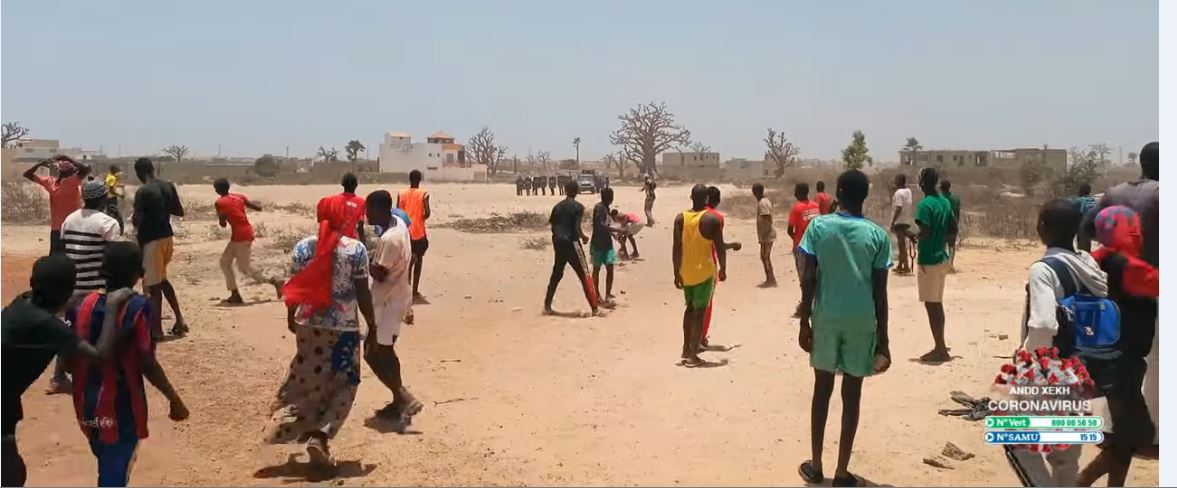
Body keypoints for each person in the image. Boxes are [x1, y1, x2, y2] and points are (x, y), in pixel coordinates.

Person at [2, 255, 135, 487]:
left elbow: (67, 302)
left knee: (10, 469)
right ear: (68, 289)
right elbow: (100, 355)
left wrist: (90, 297)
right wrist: (112, 307)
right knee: (10, 473)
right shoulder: (48, 326)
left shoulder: (23, 302)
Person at [795, 169, 891, 488]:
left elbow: (808, 277)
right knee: (852, 395)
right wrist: (884, 341)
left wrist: (804, 321)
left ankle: (815, 466)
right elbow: (880, 294)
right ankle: (841, 472)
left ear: (837, 193)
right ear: (866, 196)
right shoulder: (877, 236)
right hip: (862, 320)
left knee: (821, 389)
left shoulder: (818, 226)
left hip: (826, 316)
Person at [66, 242, 189, 487]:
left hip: (86, 406)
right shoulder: (138, 307)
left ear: (102, 271)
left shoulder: (80, 304)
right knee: (114, 473)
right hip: (121, 407)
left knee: (107, 461)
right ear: (140, 274)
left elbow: (69, 362)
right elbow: (146, 360)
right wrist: (174, 399)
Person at [268, 196, 374, 467]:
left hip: (307, 326)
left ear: (319, 217)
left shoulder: (303, 248)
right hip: (343, 330)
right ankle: (320, 436)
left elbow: (294, 287)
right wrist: (372, 325)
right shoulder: (356, 250)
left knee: (310, 379)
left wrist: (291, 317)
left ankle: (287, 424)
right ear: (344, 218)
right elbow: (363, 293)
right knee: (345, 382)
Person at [1014, 199, 1107, 487]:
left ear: (1043, 227)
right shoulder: (1088, 264)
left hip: (1049, 369)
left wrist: (1028, 358)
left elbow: (1043, 325)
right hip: (1085, 368)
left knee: (1017, 441)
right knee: (1065, 454)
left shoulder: (1044, 270)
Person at [1083, 141, 1160, 452]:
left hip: (1114, 284)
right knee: (1156, 359)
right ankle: (1153, 435)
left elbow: (1088, 228)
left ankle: (1110, 428)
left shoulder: (1114, 193)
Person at [1076, 206, 1157, 487]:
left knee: (1123, 439)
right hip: (1122, 364)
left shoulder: (1091, 262)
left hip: (1100, 361)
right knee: (1132, 437)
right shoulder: (1130, 266)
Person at [48, 179, 122, 394]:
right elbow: (113, 259)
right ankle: (100, 380)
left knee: (70, 331)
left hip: (72, 288)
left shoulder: (69, 219)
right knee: (102, 333)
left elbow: (62, 252)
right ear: (103, 198)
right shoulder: (108, 223)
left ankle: (59, 377)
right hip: (96, 289)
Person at [363, 191, 424, 428]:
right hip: (398, 297)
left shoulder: (389, 240)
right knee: (382, 350)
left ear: (380, 210)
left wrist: (362, 258)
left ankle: (403, 396)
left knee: (375, 352)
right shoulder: (398, 223)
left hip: (387, 303)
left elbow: (379, 272)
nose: (366, 214)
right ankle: (399, 399)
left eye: (369, 209)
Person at [131, 157, 188, 339]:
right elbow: (179, 211)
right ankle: (179, 319)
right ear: (153, 169)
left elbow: (137, 221)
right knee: (162, 280)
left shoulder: (143, 191)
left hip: (152, 241)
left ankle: (156, 330)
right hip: (167, 238)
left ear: (139, 173)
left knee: (153, 286)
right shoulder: (168, 186)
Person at [673, 184, 729, 367]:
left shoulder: (680, 218)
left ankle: (685, 348)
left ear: (691, 197)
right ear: (706, 199)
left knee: (689, 309)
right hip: (704, 271)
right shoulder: (712, 220)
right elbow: (720, 247)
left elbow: (676, 247)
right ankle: (693, 355)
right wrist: (723, 268)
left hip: (686, 271)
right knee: (699, 313)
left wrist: (676, 271)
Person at [213, 178, 282, 305]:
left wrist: (222, 217)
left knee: (244, 268)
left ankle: (274, 281)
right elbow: (257, 207)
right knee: (225, 262)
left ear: (217, 190)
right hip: (244, 233)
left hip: (240, 236)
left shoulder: (219, 202)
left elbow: (223, 224)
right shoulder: (239, 197)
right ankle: (235, 294)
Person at [914, 168, 957, 363]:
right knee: (937, 303)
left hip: (929, 260)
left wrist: (915, 236)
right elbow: (953, 229)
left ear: (922, 182)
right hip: (942, 257)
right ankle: (941, 345)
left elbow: (925, 232)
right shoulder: (945, 202)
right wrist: (943, 242)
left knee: (931, 305)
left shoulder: (925, 205)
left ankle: (940, 349)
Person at [543, 181, 599, 316]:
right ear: (576, 191)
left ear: (566, 190)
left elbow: (553, 226)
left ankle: (547, 306)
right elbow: (576, 228)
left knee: (557, 273)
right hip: (572, 243)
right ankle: (594, 308)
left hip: (558, 242)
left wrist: (558, 238)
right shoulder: (578, 207)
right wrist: (583, 237)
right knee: (584, 273)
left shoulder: (557, 207)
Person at [23, 155, 90, 254]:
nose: (75, 172)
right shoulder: (71, 182)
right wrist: (67, 158)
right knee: (73, 259)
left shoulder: (50, 182)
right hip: (72, 229)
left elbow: (27, 174)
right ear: (69, 172)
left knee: (55, 259)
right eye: (73, 171)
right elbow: (86, 170)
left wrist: (40, 164)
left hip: (56, 230)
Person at [701, 186, 741, 347]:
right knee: (707, 302)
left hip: (690, 263)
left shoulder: (691, 215)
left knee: (692, 303)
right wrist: (723, 269)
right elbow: (718, 245)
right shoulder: (716, 218)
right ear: (717, 201)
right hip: (708, 264)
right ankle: (701, 337)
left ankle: (691, 338)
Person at [397, 170, 432, 301]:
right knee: (418, 260)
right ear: (420, 179)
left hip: (405, 232)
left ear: (409, 179)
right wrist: (420, 217)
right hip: (418, 232)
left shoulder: (401, 194)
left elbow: (397, 212)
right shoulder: (424, 194)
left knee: (407, 263)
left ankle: (406, 290)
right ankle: (415, 291)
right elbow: (427, 213)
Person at [590, 188, 623, 306]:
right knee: (596, 269)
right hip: (598, 243)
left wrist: (613, 234)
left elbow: (607, 225)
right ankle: (596, 295)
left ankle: (607, 294)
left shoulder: (606, 208)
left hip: (607, 243)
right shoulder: (599, 208)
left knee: (610, 268)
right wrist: (616, 230)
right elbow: (600, 225)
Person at [317, 173, 366, 240]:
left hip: (332, 240)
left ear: (342, 184)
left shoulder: (331, 200)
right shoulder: (360, 202)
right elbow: (360, 227)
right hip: (349, 241)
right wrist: (363, 243)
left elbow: (322, 222)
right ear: (356, 185)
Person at [787, 183, 820, 281]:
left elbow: (789, 230)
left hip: (802, 247)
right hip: (816, 246)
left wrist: (797, 239)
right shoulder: (816, 206)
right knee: (817, 275)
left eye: (796, 191)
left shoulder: (796, 208)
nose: (795, 194)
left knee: (804, 277)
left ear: (799, 193)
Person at [889, 174, 916, 274]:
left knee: (901, 245)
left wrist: (893, 221)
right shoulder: (908, 191)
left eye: (896, 180)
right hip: (906, 220)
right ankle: (900, 265)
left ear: (899, 181)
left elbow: (898, 208)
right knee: (902, 243)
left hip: (899, 221)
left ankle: (906, 266)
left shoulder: (898, 193)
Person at [753, 183, 778, 287]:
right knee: (764, 257)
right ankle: (770, 278)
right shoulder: (765, 201)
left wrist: (765, 233)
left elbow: (766, 217)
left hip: (767, 235)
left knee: (765, 257)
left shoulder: (762, 203)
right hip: (766, 235)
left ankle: (771, 279)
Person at [939, 179, 962, 271]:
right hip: (953, 224)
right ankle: (950, 264)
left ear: (941, 188)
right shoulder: (956, 198)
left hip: (942, 224)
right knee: (951, 245)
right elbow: (958, 211)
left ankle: (943, 264)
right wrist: (957, 223)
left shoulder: (939, 198)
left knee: (941, 245)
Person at [1072, 183, 1097, 252]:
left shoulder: (1078, 201)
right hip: (1090, 225)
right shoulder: (1092, 200)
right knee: (1087, 245)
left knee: (1082, 248)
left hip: (1081, 225)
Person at [103, 165, 126, 235]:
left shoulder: (109, 176)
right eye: (117, 170)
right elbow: (111, 190)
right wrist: (120, 195)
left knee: (110, 216)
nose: (118, 171)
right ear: (113, 170)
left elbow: (108, 185)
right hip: (111, 199)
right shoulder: (112, 178)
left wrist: (120, 186)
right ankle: (120, 233)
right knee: (118, 218)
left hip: (107, 198)